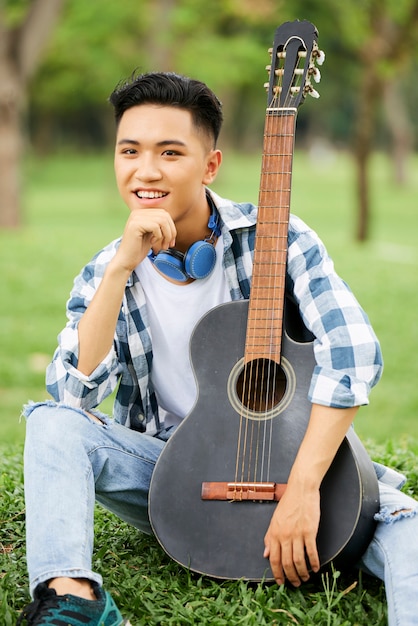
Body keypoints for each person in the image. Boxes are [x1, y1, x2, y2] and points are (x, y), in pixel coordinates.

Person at [18, 71, 418, 626]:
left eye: (170, 152)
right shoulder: (109, 269)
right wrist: (118, 273)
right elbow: (71, 394)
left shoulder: (277, 239)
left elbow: (351, 356)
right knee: (49, 422)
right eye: (129, 151)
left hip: (296, 465)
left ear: (210, 166)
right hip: (179, 475)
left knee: (408, 530)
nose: (146, 169)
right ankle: (74, 601)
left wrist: (302, 492)